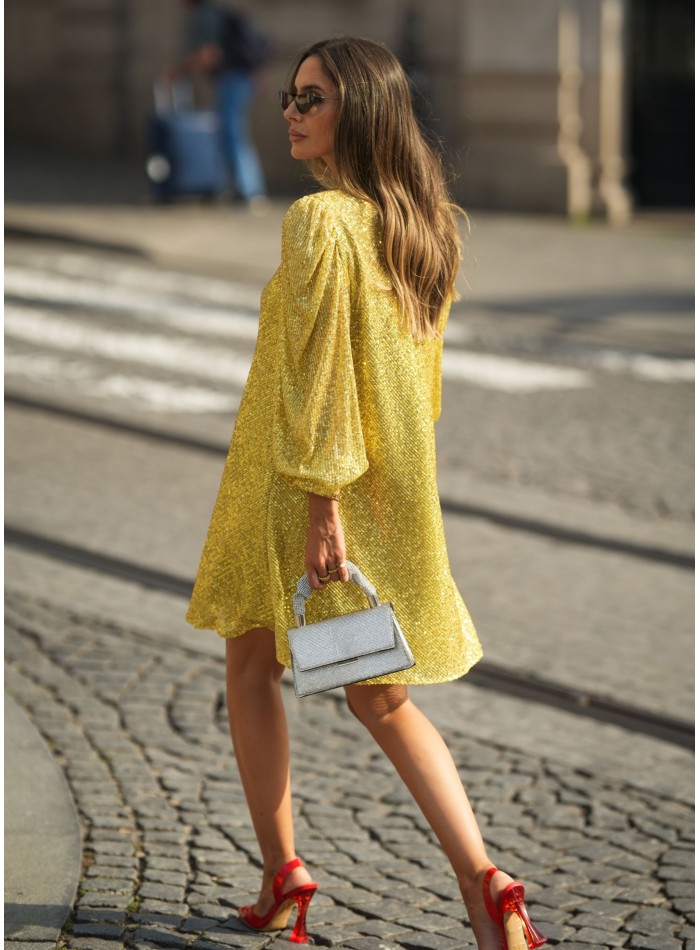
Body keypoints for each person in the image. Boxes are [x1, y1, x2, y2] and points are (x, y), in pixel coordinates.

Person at [186, 36, 547, 950]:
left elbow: (317, 380)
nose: (291, 111)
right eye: (289, 97)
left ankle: (291, 875)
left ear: (362, 108)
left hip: (302, 486)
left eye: (311, 97)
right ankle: (483, 884)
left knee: (259, 669)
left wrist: (320, 506)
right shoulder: (430, 225)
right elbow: (422, 392)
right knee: (372, 693)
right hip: (384, 485)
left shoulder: (321, 222)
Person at [166, 0, 268, 208]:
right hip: (240, 77)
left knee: (232, 133)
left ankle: (249, 190)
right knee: (232, 132)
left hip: (231, 79)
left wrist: (180, 71)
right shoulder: (218, 12)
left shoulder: (205, 16)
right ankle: (238, 187)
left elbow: (208, 54)